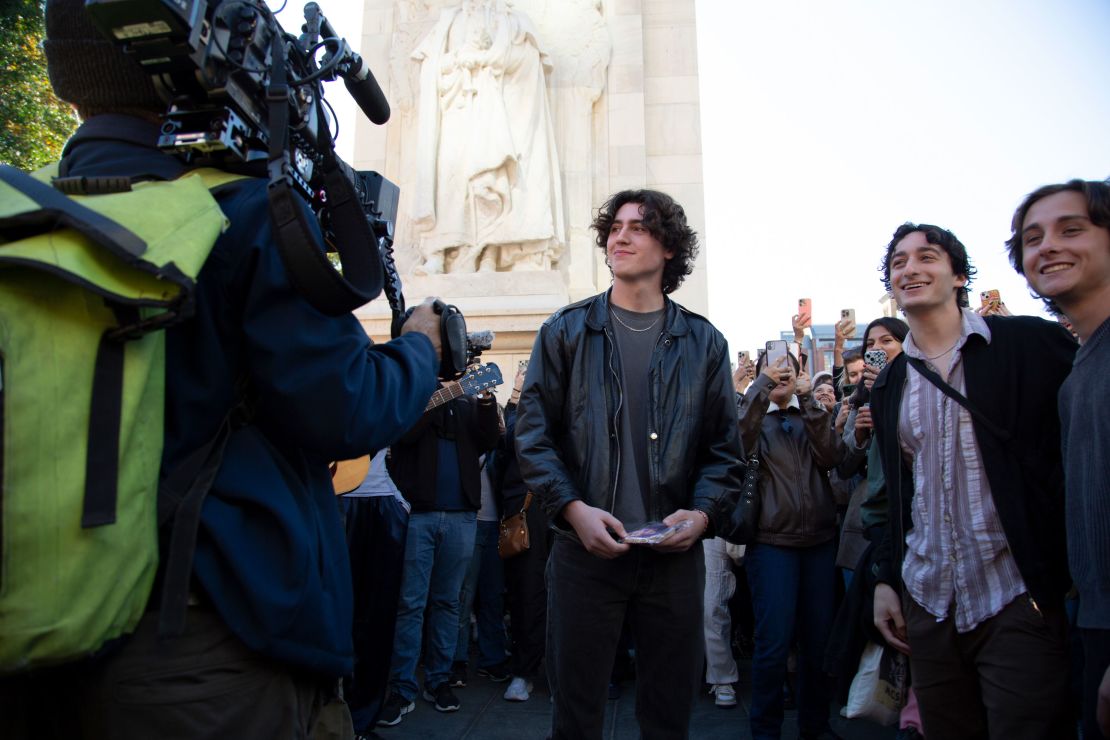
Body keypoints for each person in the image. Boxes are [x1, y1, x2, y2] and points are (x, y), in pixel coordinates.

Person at [1, 3, 444, 738]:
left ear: (68, 85)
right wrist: (420, 348)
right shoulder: (236, 217)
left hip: (36, 625)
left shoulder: (23, 208)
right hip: (206, 642)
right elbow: (348, 407)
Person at [514, 189, 743, 739]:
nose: (621, 236)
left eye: (638, 227)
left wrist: (703, 516)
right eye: (615, 226)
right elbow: (532, 436)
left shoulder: (704, 342)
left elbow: (725, 454)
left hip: (672, 556)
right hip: (583, 553)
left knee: (668, 717)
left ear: (668, 247)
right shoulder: (565, 331)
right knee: (576, 714)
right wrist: (573, 509)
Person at [870, 222, 1077, 739]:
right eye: (899, 262)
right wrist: (885, 578)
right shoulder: (893, 381)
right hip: (929, 599)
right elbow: (895, 494)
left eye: (927, 257)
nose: (911, 269)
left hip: (1015, 596)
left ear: (959, 274)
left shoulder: (1030, 344)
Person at [1007, 179, 1110, 740]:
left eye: (1072, 229)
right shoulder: (1078, 372)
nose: (1048, 246)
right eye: (1032, 237)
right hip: (1090, 620)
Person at [738, 351, 856, 740]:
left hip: (820, 541)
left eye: (790, 366)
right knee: (773, 643)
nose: (783, 372)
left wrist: (808, 401)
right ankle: (765, 730)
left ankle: (816, 725)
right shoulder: (755, 415)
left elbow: (834, 456)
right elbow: (736, 442)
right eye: (774, 367)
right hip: (771, 543)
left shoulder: (809, 415)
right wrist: (762, 388)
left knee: (817, 642)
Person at [410, 0, 565, 273]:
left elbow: (527, 62)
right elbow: (431, 65)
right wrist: (459, 60)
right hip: (456, 114)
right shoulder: (448, 23)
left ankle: (492, 255)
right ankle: (442, 254)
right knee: (451, 185)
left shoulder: (514, 21)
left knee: (494, 184)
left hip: (498, 116)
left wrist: (486, 59)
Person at [379, 391, 501, 724]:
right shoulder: (414, 398)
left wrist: (486, 403)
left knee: (449, 603)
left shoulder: (467, 404)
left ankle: (438, 680)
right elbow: (404, 435)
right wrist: (437, 397)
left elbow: (489, 440)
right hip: (417, 514)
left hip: (462, 515)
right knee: (411, 604)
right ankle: (402, 687)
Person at [495, 363, 553, 702]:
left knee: (575, 594)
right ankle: (524, 672)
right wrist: (515, 398)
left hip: (568, 511)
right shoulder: (517, 413)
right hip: (528, 513)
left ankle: (576, 672)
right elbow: (510, 447)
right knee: (527, 595)